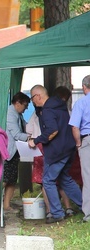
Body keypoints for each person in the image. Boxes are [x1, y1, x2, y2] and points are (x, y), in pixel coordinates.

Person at [28, 85, 82, 224]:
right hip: (69, 148)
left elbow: (52, 131)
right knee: (65, 179)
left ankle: (57, 213)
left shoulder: (48, 110)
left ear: (38, 96)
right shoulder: (59, 106)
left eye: (32, 98)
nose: (32, 102)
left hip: (57, 151)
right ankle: (86, 206)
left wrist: (36, 140)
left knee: (48, 180)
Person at [3, 92, 31, 214]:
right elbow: (16, 134)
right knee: (3, 180)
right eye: (25, 105)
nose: (26, 109)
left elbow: (26, 126)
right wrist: (31, 138)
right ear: (18, 103)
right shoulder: (10, 113)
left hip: (14, 152)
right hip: (7, 151)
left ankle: (6, 205)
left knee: (12, 179)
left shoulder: (18, 115)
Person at [69, 75, 90, 223]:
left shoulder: (81, 103)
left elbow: (75, 126)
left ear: (84, 87)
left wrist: (78, 144)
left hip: (87, 139)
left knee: (88, 178)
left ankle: (88, 215)